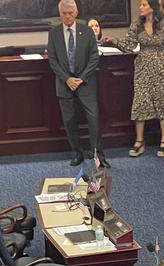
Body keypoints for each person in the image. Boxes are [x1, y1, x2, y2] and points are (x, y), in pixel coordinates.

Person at [115, 0, 164, 158]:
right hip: (142, 70)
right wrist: (113, 41)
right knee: (140, 102)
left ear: (152, 7)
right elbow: (128, 45)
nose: (140, 7)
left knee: (162, 103)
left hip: (162, 70)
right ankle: (139, 142)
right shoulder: (136, 25)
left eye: (143, 5)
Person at [47, 0, 104, 168]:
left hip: (85, 83)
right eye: (64, 13)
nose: (67, 16)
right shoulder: (54, 33)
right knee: (69, 121)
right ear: (60, 14)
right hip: (65, 84)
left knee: (93, 119)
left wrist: (82, 78)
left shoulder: (86, 31)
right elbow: (53, 60)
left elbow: (94, 56)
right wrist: (67, 79)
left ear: (76, 13)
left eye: (70, 13)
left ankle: (98, 155)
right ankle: (78, 153)